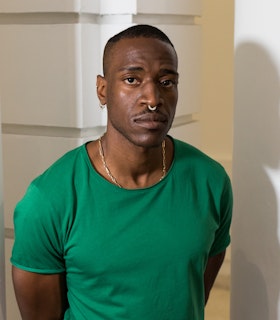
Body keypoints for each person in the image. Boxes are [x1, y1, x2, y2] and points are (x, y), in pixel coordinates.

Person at [11, 24, 233, 320]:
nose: (153, 99)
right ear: (103, 90)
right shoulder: (48, 199)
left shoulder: (211, 181)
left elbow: (194, 294)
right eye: (132, 79)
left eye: (167, 82)